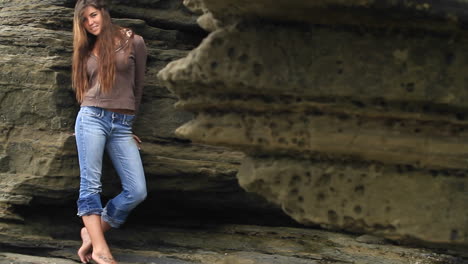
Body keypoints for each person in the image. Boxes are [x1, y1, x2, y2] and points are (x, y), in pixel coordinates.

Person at [72, 0, 148, 263]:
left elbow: (138, 87)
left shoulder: (132, 40)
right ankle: (101, 250)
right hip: (91, 117)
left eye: (93, 15)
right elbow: (83, 90)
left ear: (103, 13)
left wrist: (130, 124)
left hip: (122, 125)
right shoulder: (86, 49)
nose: (90, 22)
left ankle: (91, 233)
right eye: (84, 19)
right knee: (90, 185)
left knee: (137, 191)